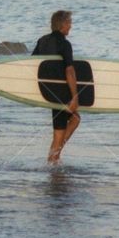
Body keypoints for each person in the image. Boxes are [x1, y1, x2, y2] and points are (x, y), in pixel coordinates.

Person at [32, 10, 80, 164]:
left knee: (70, 121)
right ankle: (53, 159)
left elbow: (32, 63)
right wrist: (75, 96)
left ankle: (54, 157)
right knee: (69, 124)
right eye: (69, 23)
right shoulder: (65, 44)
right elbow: (70, 70)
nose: (70, 26)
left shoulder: (42, 41)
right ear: (63, 25)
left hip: (47, 91)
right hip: (61, 92)